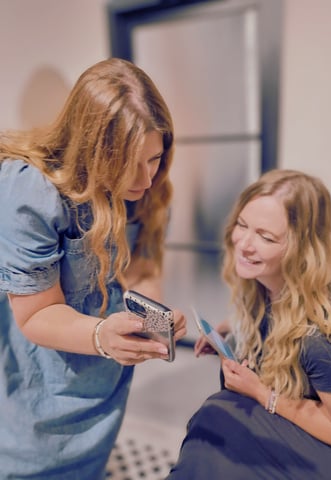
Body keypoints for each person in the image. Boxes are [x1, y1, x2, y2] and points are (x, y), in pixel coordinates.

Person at [0, 57, 186, 479]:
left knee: (88, 459)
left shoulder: (152, 190)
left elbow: (139, 268)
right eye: (127, 163)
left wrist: (150, 316)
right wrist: (102, 335)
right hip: (42, 359)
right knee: (29, 459)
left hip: (104, 364)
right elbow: (35, 313)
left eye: (154, 158)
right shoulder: (31, 190)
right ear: (90, 149)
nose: (145, 178)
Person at [166, 169, 331, 480]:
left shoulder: (323, 337)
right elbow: (275, 315)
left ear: (301, 248)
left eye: (265, 237)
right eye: (242, 225)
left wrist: (261, 393)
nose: (244, 244)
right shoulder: (266, 285)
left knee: (218, 415)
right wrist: (232, 327)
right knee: (216, 422)